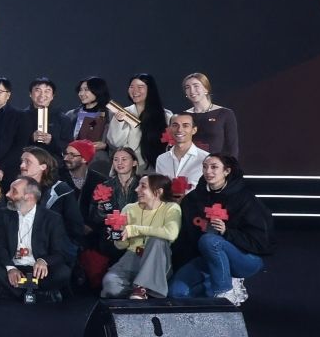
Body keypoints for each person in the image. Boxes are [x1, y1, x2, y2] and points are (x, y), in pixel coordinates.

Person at [170, 154, 272, 304]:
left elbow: (260, 238)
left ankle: (225, 292)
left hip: (245, 258)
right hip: (207, 258)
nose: (208, 171)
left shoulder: (244, 198)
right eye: (205, 167)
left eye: (214, 167)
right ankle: (214, 290)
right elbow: (186, 237)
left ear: (227, 171)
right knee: (176, 292)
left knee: (210, 241)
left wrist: (227, 232)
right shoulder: (193, 198)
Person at [0, 177, 74, 301]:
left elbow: (60, 253)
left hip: (37, 272)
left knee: (63, 272)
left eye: (14, 191)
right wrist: (10, 268)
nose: (7, 194)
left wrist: (44, 261)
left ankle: (12, 291)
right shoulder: (4, 214)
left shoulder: (52, 218)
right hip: (12, 268)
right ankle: (30, 294)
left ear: (29, 197)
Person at [99, 174, 182, 299]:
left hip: (157, 259)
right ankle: (140, 292)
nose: (136, 189)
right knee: (110, 285)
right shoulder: (129, 208)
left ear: (158, 192)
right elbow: (122, 246)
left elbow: (171, 233)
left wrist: (134, 229)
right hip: (132, 256)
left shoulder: (171, 208)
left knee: (157, 240)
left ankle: (142, 288)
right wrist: (118, 235)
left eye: (143, 186)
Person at [77, 144, 142, 288]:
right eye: (116, 160)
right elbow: (93, 218)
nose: (120, 163)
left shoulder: (143, 184)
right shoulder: (104, 186)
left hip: (137, 231)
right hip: (111, 234)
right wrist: (101, 211)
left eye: (124, 159)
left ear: (134, 162)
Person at [17, 146, 88, 255]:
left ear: (43, 166)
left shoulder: (61, 190)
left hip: (54, 251)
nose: (22, 165)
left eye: (28, 162)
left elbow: (75, 228)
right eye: (22, 161)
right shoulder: (16, 187)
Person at [106, 74, 170, 162]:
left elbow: (170, 142)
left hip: (157, 162)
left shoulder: (165, 115)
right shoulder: (124, 112)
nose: (135, 91)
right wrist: (119, 121)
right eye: (131, 87)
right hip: (131, 163)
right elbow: (116, 142)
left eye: (140, 87)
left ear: (150, 89)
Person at [179, 72, 241, 160]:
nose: (192, 91)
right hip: (189, 164)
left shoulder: (225, 114)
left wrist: (229, 167)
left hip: (215, 165)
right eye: (187, 87)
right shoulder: (182, 116)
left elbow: (232, 148)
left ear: (206, 89)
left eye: (196, 86)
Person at [9, 77, 63, 161]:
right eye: (38, 90)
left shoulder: (62, 119)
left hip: (53, 165)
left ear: (52, 96)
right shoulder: (18, 117)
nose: (42, 95)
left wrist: (51, 141)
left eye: (47, 91)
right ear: (30, 94)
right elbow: (10, 144)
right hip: (24, 163)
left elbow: (67, 146)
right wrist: (31, 139)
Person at [155, 111, 209, 188]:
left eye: (185, 125)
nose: (179, 130)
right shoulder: (161, 159)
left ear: (194, 130)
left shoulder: (206, 159)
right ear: (169, 129)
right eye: (175, 125)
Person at [67, 77, 111, 154]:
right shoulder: (71, 115)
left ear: (98, 91)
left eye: (86, 90)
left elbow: (116, 143)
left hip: (98, 158)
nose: (81, 93)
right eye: (80, 90)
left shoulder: (109, 115)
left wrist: (105, 146)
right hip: (74, 158)